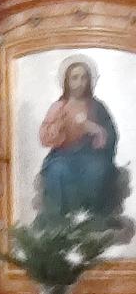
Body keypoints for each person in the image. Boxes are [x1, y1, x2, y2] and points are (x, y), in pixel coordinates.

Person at [38, 56, 123, 223]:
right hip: (63, 156)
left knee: (97, 170)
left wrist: (95, 130)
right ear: (67, 81)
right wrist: (58, 127)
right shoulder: (58, 107)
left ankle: (93, 220)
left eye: (84, 78)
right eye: (75, 78)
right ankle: (59, 222)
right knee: (57, 170)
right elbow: (45, 137)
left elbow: (111, 135)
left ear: (90, 81)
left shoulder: (97, 107)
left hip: (91, 156)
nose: (80, 83)